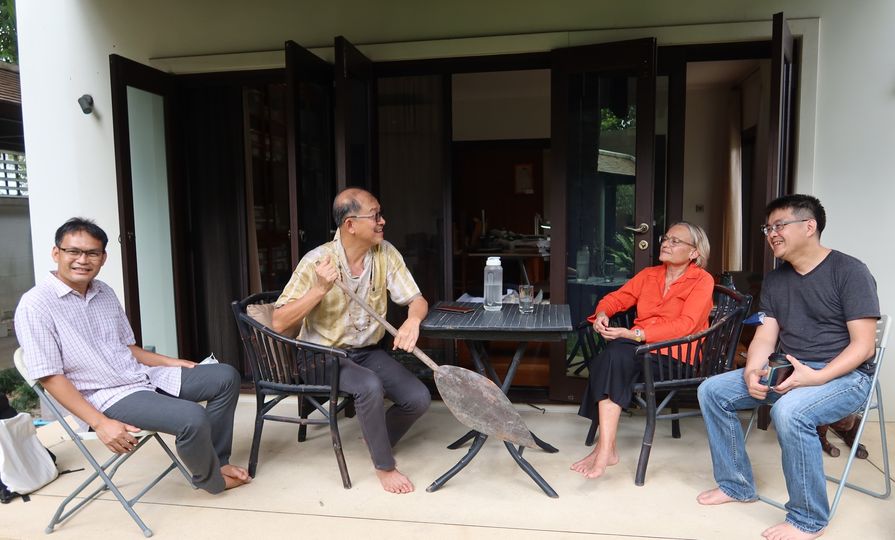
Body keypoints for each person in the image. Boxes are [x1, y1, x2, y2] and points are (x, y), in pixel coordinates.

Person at [14, 218, 250, 494]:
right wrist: (100, 423)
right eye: (73, 251)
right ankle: (211, 480)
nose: (82, 260)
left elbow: (127, 347)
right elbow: (50, 377)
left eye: (92, 253)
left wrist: (171, 362)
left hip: (139, 376)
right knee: (192, 417)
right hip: (105, 395)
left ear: (103, 258)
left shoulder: (103, 291)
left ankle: (218, 460)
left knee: (225, 376)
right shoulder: (36, 305)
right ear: (57, 253)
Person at [697, 194, 878, 540]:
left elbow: (863, 346)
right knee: (712, 390)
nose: (771, 234)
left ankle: (808, 519)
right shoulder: (776, 280)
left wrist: (817, 377)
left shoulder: (850, 271)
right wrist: (752, 370)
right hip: (791, 369)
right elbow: (766, 337)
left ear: (809, 226)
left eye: (779, 225)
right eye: (768, 228)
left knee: (791, 412)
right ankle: (736, 485)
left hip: (845, 376)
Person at [272, 188, 430, 494]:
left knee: (418, 397)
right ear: (350, 225)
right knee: (369, 385)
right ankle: (384, 466)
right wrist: (319, 289)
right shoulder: (317, 261)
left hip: (366, 353)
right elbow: (279, 322)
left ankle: (375, 437)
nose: (383, 221)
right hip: (321, 356)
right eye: (375, 215)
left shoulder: (385, 254)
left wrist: (413, 320)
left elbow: (417, 299)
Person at [571, 222, 714, 479]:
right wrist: (603, 313)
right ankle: (606, 449)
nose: (666, 244)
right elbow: (616, 298)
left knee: (611, 357)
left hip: (675, 355)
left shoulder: (702, 281)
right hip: (640, 349)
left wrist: (635, 334)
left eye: (675, 241)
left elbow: (687, 325)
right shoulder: (650, 275)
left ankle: (604, 449)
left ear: (694, 252)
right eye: (666, 238)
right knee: (610, 357)